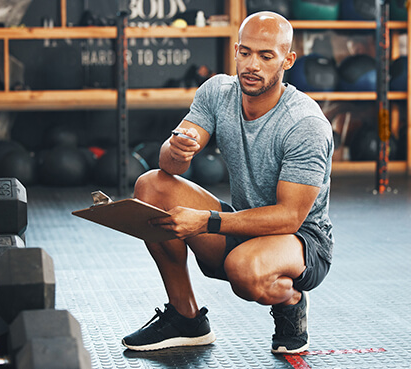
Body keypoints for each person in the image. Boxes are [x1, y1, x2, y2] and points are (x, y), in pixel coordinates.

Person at [122, 11, 334, 354]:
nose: (252, 64)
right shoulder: (218, 92)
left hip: (301, 241)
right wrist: (176, 149)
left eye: (266, 56)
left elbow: (289, 217)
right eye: (245, 52)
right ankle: (185, 317)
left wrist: (206, 222)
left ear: (287, 60)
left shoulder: (305, 123)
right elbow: (168, 165)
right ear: (235, 50)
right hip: (243, 226)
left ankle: (290, 300)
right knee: (151, 186)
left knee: (244, 269)